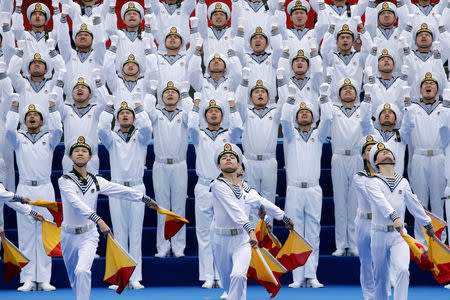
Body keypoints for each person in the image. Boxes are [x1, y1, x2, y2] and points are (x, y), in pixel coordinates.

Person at [58, 136, 159, 300]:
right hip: (68, 235)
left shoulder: (96, 180)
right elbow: (76, 204)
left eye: (84, 151)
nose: (80, 154)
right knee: (74, 279)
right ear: (71, 157)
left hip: (88, 235)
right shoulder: (64, 180)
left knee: (82, 271)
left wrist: (144, 198)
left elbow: (120, 190)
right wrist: (99, 219)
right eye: (76, 151)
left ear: (90, 157)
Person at [6, 98, 63, 292]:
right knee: (26, 234)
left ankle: (44, 278)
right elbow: (8, 130)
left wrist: (53, 109)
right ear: (24, 120)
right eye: (29, 115)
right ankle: (28, 278)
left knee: (45, 233)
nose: (32, 117)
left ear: (41, 120)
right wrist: (14, 108)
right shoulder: (18, 138)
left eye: (36, 116)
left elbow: (58, 131)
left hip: (45, 188)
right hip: (24, 189)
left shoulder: (49, 138)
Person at [365, 142, 434, 300]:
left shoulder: (402, 181)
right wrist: (395, 216)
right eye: (381, 153)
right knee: (381, 277)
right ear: (376, 162)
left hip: (399, 236)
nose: (386, 153)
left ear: (395, 160)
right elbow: (381, 202)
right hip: (378, 234)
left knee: (403, 270)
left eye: (388, 152)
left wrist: (427, 223)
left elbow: (413, 204)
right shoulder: (372, 181)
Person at [188, 94, 242, 288]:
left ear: (222, 116)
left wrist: (232, 106)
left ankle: (222, 275)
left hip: (224, 187)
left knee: (224, 233)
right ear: (204, 116)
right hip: (203, 186)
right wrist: (195, 105)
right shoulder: (199, 135)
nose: (213, 114)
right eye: (209, 111)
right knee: (203, 233)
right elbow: (191, 127)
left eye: (217, 112)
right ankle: (208, 275)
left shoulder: (229, 135)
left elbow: (239, 128)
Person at [98, 101, 152, 289]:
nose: (125, 116)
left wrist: (140, 109)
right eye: (122, 114)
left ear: (134, 118)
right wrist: (108, 110)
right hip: (117, 187)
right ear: (117, 118)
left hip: (137, 186)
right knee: (119, 232)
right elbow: (102, 130)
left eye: (129, 113)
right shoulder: (112, 138)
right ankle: (121, 276)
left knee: (135, 232)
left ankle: (135, 276)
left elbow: (147, 128)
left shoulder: (141, 137)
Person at [280, 92, 331, 288]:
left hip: (312, 189)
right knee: (295, 232)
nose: (303, 114)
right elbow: (284, 119)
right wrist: (290, 100)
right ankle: (297, 276)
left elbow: (328, 118)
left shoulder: (318, 135)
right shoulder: (290, 135)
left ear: (313, 117)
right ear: (296, 117)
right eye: (300, 112)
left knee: (313, 232)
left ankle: (312, 275)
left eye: (307, 112)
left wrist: (324, 100)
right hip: (294, 189)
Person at [320, 78, 372, 256]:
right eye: (344, 89)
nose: (348, 91)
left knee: (355, 202)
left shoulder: (361, 110)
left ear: (357, 95)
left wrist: (368, 100)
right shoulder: (333, 110)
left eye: (351, 88)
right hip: (339, 156)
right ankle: (341, 243)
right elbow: (325, 117)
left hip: (356, 157)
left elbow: (368, 128)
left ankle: (355, 243)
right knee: (340, 201)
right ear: (339, 95)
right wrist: (324, 97)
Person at [402, 72, 446, 243]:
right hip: (419, 155)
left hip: (438, 156)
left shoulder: (444, 109)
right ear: (419, 90)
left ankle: (440, 241)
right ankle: (421, 241)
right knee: (419, 202)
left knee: (437, 202)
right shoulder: (412, 109)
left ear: (438, 89)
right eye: (425, 84)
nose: (429, 86)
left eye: (432, 84)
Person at [210, 142, 258, 300]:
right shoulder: (217, 185)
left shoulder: (247, 189)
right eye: (224, 158)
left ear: (240, 166)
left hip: (241, 238)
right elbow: (236, 211)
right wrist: (251, 229)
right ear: (218, 166)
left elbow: (261, 203)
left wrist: (277, 217)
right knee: (228, 285)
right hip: (221, 239)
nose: (228, 159)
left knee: (238, 276)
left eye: (232, 157)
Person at [147, 82, 189, 258]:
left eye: (174, 92)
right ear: (161, 98)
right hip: (161, 164)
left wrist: (186, 94)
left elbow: (191, 111)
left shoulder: (184, 114)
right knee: (162, 207)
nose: (170, 94)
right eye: (166, 93)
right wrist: (151, 90)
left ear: (179, 98)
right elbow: (146, 108)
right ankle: (163, 246)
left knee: (179, 207)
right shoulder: (156, 114)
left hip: (179, 164)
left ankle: (179, 246)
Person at [353, 135, 378, 300]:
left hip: (379, 221)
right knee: (366, 261)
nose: (371, 153)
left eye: (373, 150)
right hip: (363, 220)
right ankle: (368, 295)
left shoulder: (389, 176)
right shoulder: (359, 176)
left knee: (382, 261)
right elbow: (373, 197)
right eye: (368, 150)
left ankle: (382, 293)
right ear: (363, 155)